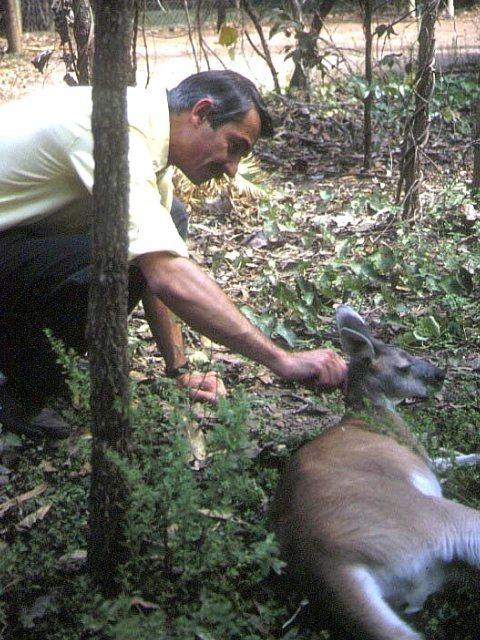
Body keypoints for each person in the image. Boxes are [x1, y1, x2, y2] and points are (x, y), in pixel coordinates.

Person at [0, 70, 347, 440]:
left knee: (169, 220)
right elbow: (164, 273)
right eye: (234, 147)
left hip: (17, 234)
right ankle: (22, 386)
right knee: (125, 255)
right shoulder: (117, 132)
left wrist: (179, 369)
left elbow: (155, 270)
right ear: (201, 113)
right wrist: (282, 360)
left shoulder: (145, 132)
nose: (232, 170)